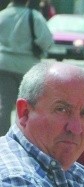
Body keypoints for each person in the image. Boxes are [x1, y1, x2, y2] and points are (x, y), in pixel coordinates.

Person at [0, 0, 52, 135]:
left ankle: (3, 139)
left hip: (3, 65)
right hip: (28, 67)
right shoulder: (34, 16)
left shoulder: (2, 15)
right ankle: (23, 136)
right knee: (27, 105)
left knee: (4, 106)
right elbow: (46, 40)